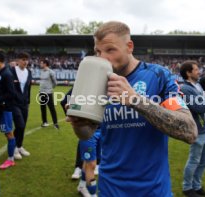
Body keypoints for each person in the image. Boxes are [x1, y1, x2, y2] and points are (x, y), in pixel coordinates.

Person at [67, 21, 197, 196]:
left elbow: (189, 130)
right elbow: (88, 134)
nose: (103, 58)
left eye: (110, 50)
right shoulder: (97, 81)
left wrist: (135, 99)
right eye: (98, 51)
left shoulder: (158, 76)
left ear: (129, 46)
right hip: (109, 189)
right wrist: (79, 124)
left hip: (153, 190)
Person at [180, 60, 205, 197]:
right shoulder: (185, 89)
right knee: (194, 160)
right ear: (188, 73)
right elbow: (199, 107)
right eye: (196, 70)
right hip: (198, 131)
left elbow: (204, 104)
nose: (199, 72)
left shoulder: (197, 85)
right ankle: (187, 188)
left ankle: (196, 186)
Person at [61, 88, 101, 197]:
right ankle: (92, 193)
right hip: (88, 130)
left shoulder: (106, 83)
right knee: (91, 164)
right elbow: (64, 101)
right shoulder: (86, 83)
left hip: (103, 129)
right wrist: (72, 115)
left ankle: (82, 185)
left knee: (90, 162)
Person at [0, 49, 16, 169]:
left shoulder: (7, 74)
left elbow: (11, 94)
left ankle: (11, 159)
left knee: (8, 134)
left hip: (5, 109)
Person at [10, 52, 32, 160]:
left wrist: (28, 101)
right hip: (14, 103)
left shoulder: (29, 72)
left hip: (24, 104)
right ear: (18, 60)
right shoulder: (12, 71)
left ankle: (19, 146)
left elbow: (28, 88)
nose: (25, 62)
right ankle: (14, 148)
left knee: (23, 126)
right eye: (23, 59)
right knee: (20, 125)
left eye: (27, 59)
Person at [39, 59, 59, 129]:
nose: (40, 64)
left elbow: (55, 83)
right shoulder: (41, 71)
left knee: (51, 108)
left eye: (41, 63)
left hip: (48, 93)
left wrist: (50, 88)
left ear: (45, 64)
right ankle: (45, 122)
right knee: (43, 108)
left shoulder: (51, 72)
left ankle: (55, 123)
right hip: (41, 92)